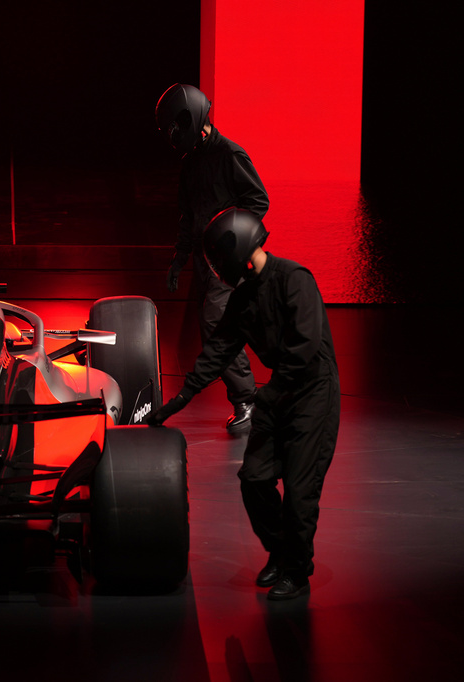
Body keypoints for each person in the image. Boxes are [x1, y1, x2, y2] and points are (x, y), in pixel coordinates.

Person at [147, 208, 340, 601]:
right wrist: (177, 402)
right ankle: (281, 552)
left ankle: (296, 571)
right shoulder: (243, 298)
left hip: (311, 394)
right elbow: (218, 351)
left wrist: (270, 393)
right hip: (277, 394)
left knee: (300, 491)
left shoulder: (295, 280)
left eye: (218, 259)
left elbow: (304, 347)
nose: (217, 268)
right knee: (254, 478)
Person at [155, 83, 269, 432]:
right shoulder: (191, 163)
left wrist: (234, 240)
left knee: (217, 326)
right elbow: (188, 216)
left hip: (227, 262)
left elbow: (258, 200)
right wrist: (179, 259)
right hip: (204, 263)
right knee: (221, 329)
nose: (174, 135)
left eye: (176, 126)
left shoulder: (229, 155)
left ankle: (247, 400)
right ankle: (256, 397)